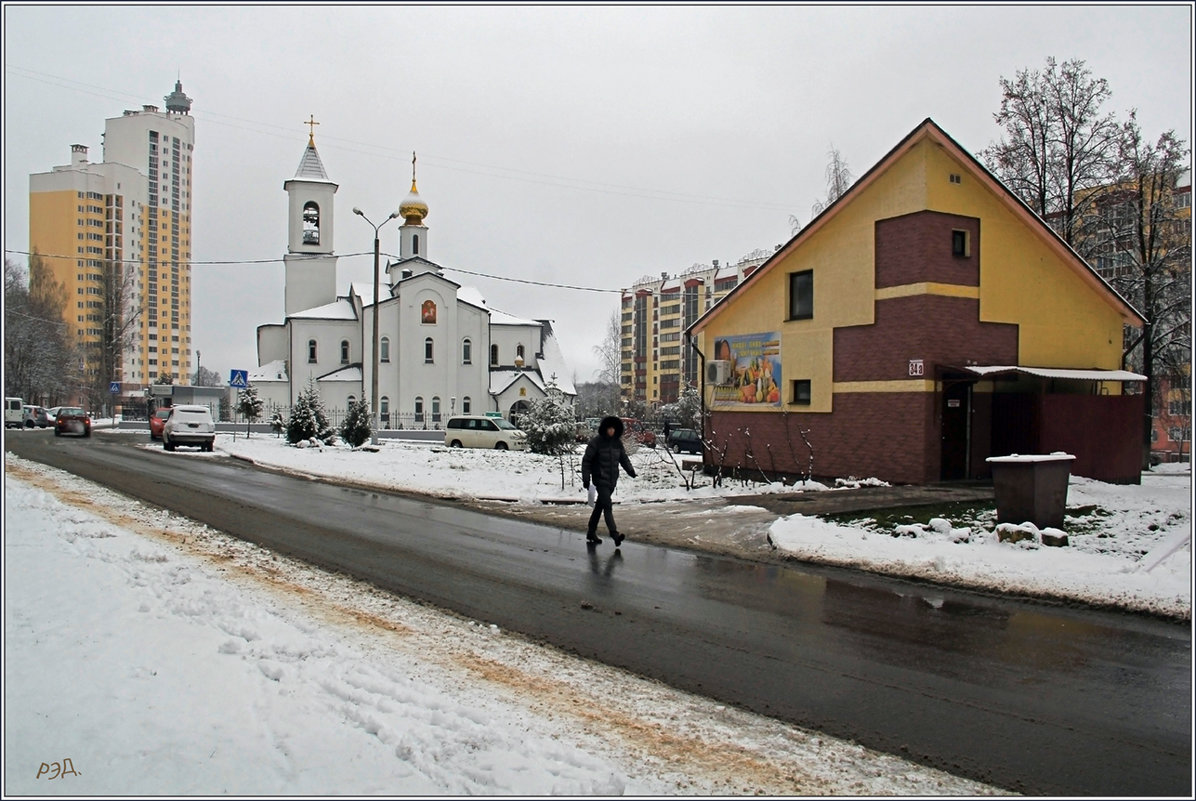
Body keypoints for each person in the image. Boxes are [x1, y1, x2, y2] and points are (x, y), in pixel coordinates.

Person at [581, 415, 637, 547]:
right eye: (609, 429)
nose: (611, 431)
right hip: (600, 479)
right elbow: (587, 461)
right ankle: (614, 534)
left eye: (613, 429)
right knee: (607, 506)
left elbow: (623, 459)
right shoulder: (596, 442)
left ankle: (591, 531)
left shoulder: (617, 443)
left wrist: (630, 471)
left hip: (612, 480)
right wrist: (586, 478)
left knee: (600, 506)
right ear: (605, 429)